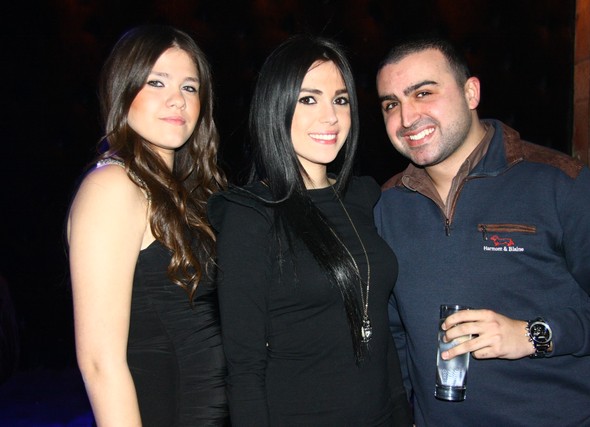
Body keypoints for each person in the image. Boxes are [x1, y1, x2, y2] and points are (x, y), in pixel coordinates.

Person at [374, 36, 590, 426]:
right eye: (391, 104)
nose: (407, 117)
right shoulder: (387, 205)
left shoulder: (557, 182)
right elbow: (394, 335)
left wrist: (533, 335)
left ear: (471, 92)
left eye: (423, 93)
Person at [207, 35, 412, 426]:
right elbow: (244, 368)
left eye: (340, 100)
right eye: (308, 99)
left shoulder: (363, 196)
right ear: (276, 107)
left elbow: (381, 332)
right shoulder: (250, 214)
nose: (330, 117)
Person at [67, 25, 229, 426]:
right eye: (157, 82)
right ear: (124, 90)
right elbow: (100, 362)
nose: (177, 99)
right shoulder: (112, 186)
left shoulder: (187, 192)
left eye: (190, 87)